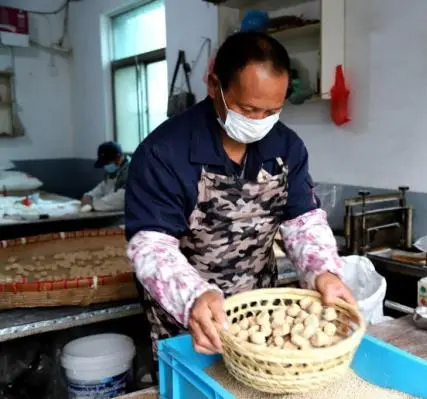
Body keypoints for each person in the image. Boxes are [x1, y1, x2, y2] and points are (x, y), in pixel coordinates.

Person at [125, 32, 355, 376]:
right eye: (248, 109)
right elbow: (151, 245)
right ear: (214, 85)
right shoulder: (165, 152)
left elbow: (303, 221)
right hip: (190, 318)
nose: (259, 121)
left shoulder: (286, 147)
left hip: (261, 312)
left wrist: (323, 271)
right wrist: (192, 299)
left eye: (272, 111)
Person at [81, 141, 129, 212]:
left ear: (118, 158)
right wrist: (89, 196)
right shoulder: (113, 172)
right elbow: (103, 187)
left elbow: (122, 198)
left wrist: (93, 204)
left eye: (107, 163)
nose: (106, 166)